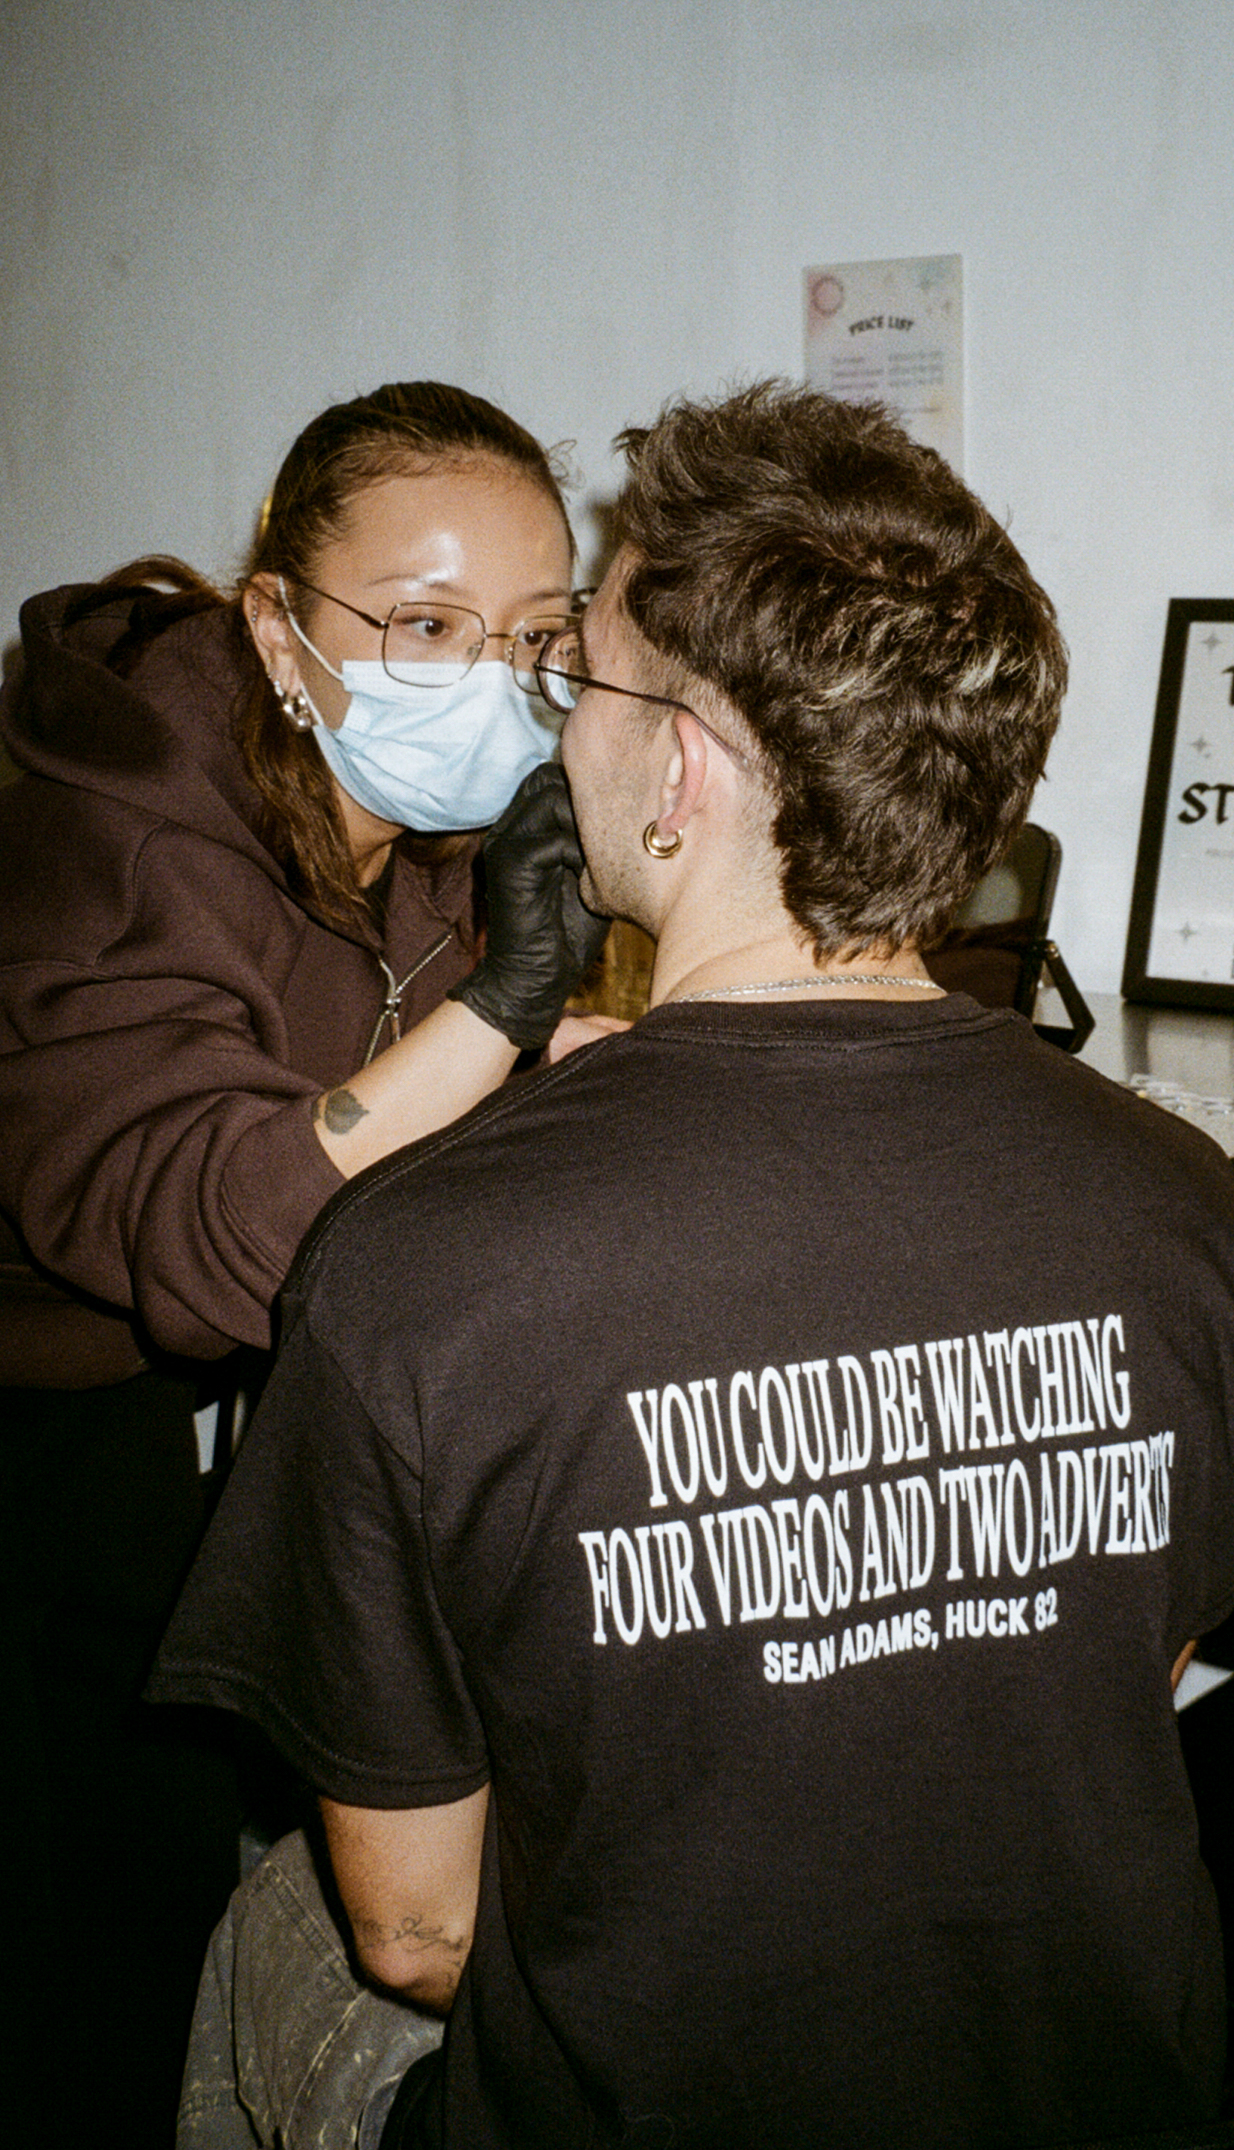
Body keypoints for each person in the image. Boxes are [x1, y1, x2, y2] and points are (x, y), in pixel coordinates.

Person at [150, 380, 1234, 2150]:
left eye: (579, 673)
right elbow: (1130, 1656)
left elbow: (419, 1927)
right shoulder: (1175, 1193)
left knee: (269, 1935)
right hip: (1091, 2078)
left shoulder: (421, 1266)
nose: (552, 720)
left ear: (679, 769)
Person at [0, 380, 610, 2148]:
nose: (486, 680)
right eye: (425, 626)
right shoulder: (96, 830)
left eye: (534, 636)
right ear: (278, 622)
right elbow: (199, 1228)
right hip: (38, 1373)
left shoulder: (427, 813)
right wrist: (498, 1026)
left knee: (154, 1872)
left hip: (150, 1397)